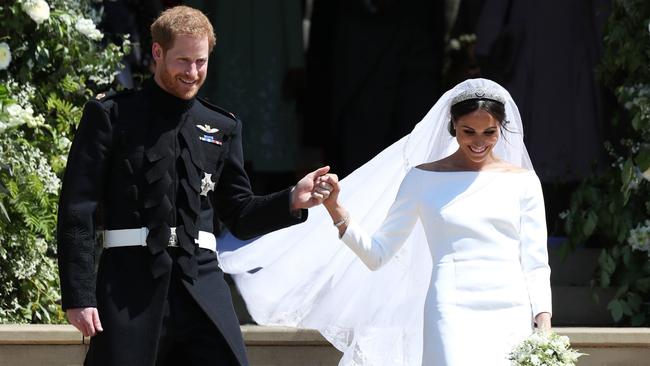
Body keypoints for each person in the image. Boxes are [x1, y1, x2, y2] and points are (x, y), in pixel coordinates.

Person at [56, 6, 331, 366]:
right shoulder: (110, 116)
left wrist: (292, 199)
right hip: (128, 285)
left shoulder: (222, 126)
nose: (193, 72)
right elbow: (78, 210)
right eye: (183, 61)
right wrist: (79, 295)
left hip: (202, 284)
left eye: (201, 62)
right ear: (157, 53)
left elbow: (240, 213)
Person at [219, 78, 552, 365]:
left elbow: (536, 263)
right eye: (469, 131)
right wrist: (336, 209)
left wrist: (543, 323)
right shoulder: (423, 179)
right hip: (451, 307)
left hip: (509, 308)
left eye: (489, 132)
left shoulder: (522, 181)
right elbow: (378, 254)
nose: (479, 142)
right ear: (453, 126)